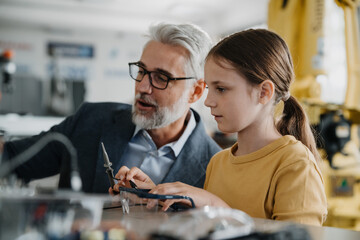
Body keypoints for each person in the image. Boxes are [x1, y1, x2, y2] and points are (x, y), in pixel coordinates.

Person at [113, 29, 328, 226]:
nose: (208, 101)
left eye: (221, 89)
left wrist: (217, 207)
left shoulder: (296, 167)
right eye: (209, 88)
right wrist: (157, 195)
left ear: (264, 93)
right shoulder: (218, 162)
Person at [2, 22, 221, 193]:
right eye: (142, 71)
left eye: (161, 77)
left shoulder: (217, 166)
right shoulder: (90, 120)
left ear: (196, 91)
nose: (143, 86)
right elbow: (12, 158)